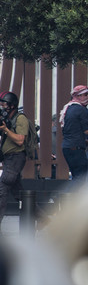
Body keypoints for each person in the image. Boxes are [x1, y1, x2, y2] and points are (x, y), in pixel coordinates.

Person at [0, 92, 29, 231]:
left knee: (2, 188)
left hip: (16, 157)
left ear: (12, 105)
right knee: (19, 193)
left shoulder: (20, 118)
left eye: (4, 104)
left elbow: (19, 140)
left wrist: (5, 129)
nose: (2, 106)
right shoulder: (6, 119)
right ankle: (43, 219)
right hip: (9, 158)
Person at [60, 85, 88, 181]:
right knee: (80, 178)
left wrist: (83, 140)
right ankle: (63, 195)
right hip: (76, 149)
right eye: (85, 94)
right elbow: (87, 131)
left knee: (76, 176)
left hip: (67, 147)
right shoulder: (80, 110)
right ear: (78, 96)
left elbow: (70, 130)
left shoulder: (68, 108)